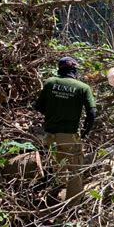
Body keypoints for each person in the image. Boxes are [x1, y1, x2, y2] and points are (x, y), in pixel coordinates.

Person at [35, 56, 96, 206]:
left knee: (57, 163)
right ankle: (72, 206)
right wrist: (85, 131)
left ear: (59, 69)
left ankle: (56, 195)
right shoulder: (83, 88)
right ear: (74, 70)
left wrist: (53, 114)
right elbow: (92, 112)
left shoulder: (50, 83)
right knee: (75, 169)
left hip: (49, 135)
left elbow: (38, 106)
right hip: (69, 135)